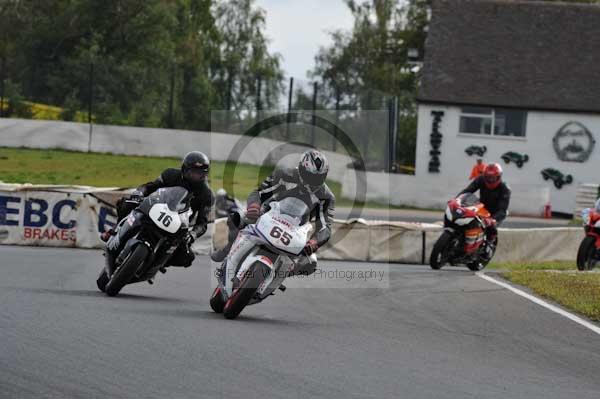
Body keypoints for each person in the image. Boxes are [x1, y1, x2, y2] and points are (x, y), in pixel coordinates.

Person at [211, 149, 335, 276]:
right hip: (269, 213)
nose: (313, 182)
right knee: (236, 217)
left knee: (311, 263)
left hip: (298, 229)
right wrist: (254, 206)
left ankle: (282, 274)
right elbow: (258, 192)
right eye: (310, 176)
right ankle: (229, 248)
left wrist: (314, 242)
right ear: (302, 170)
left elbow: (325, 227)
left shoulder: (326, 196)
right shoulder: (284, 174)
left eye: (319, 178)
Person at [104, 151, 214, 268]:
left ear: (205, 174)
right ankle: (116, 230)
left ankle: (159, 263)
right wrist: (139, 193)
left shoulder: (207, 195)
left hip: (178, 225)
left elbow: (202, 224)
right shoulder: (170, 174)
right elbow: (149, 186)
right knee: (127, 203)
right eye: (193, 172)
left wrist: (192, 234)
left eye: (200, 173)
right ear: (184, 169)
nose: (196, 176)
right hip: (156, 207)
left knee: (187, 258)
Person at [458, 162, 511, 260]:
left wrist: (493, 219)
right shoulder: (481, 179)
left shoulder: (505, 189)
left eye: (493, 178)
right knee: (466, 219)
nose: (490, 180)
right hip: (482, 208)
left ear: (499, 177)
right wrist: (457, 199)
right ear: (484, 176)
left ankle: (488, 245)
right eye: (488, 177)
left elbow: (503, 210)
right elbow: (468, 190)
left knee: (490, 227)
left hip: (497, 213)